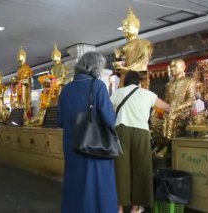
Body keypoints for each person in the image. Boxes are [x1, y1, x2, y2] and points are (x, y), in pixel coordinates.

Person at [57, 52, 118, 213]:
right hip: (94, 148)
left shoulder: (66, 90)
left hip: (72, 147)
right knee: (97, 188)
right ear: (96, 68)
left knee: (75, 186)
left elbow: (60, 122)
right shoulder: (97, 86)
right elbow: (110, 120)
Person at [110, 71, 170, 213]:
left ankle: (119, 208)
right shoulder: (147, 93)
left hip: (121, 131)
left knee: (121, 169)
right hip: (141, 133)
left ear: (125, 82)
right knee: (141, 168)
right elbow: (166, 107)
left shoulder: (118, 93)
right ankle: (135, 208)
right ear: (139, 82)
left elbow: (106, 109)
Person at [114, 7, 153, 89]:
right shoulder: (121, 47)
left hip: (137, 78)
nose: (125, 28)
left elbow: (144, 60)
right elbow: (118, 72)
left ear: (136, 27)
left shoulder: (143, 43)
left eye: (128, 25)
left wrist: (129, 69)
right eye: (124, 26)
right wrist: (117, 58)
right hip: (123, 80)